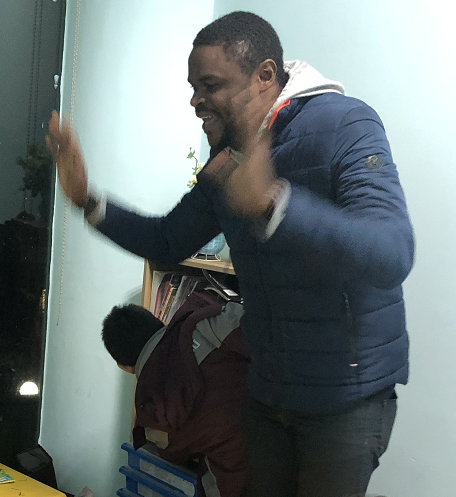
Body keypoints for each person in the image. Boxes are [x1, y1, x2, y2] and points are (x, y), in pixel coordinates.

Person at [46, 10, 415, 497]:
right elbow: (168, 241)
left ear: (265, 75)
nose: (195, 100)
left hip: (346, 399)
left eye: (210, 85)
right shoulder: (229, 159)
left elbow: (392, 252)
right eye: (193, 86)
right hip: (266, 390)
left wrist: (274, 204)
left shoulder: (345, 124)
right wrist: (88, 202)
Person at [101, 291, 249, 497]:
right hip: (291, 430)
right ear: (161, 322)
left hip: (246, 481)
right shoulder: (206, 321)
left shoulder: (153, 415)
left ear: (124, 367)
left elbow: (175, 455)